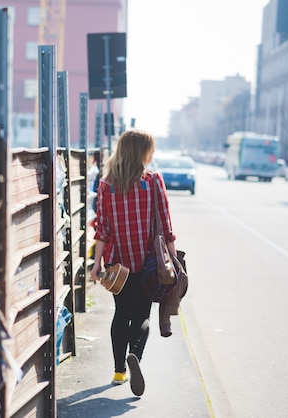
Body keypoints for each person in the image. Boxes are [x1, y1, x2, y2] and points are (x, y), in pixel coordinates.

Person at [90, 129, 177, 397]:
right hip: (149, 262)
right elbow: (165, 223)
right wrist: (172, 258)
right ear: (142, 152)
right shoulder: (152, 181)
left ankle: (119, 371)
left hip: (118, 264)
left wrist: (95, 264)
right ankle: (134, 355)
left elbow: (102, 229)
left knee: (121, 314)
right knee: (142, 316)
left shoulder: (106, 184)